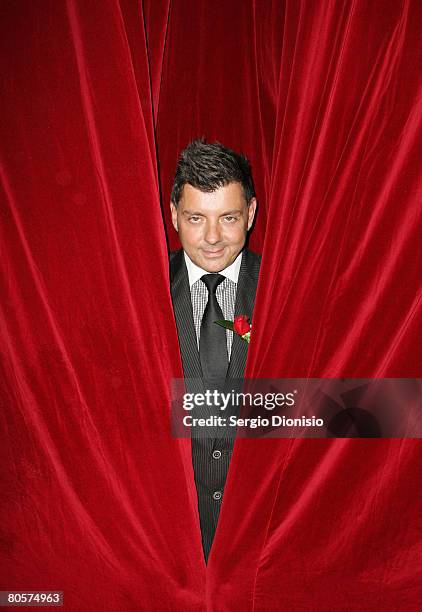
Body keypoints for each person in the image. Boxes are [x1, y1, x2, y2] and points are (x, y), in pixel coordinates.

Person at [169, 139, 261, 562]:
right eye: (194, 218)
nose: (211, 238)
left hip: (261, 534)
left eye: (228, 218)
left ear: (251, 214)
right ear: (173, 216)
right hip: (167, 536)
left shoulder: (287, 290)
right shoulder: (136, 294)